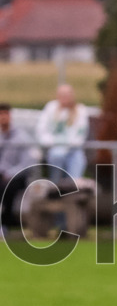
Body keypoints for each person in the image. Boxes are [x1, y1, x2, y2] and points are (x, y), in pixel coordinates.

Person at [37, 84, 89, 180]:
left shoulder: (80, 110)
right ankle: (55, 184)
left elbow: (80, 134)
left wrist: (67, 146)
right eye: (62, 94)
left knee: (79, 159)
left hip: (73, 149)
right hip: (54, 148)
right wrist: (54, 143)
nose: (65, 97)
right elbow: (41, 130)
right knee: (56, 156)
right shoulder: (50, 107)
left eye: (67, 94)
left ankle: (73, 185)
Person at [0, 103, 36, 235]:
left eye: (5, 114)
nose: (3, 117)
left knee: (7, 187)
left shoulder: (21, 137)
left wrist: (9, 173)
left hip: (17, 176)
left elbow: (28, 162)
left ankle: (5, 223)